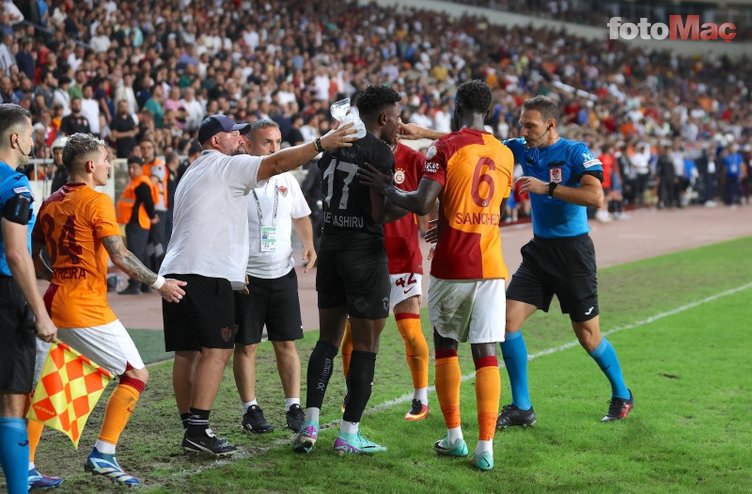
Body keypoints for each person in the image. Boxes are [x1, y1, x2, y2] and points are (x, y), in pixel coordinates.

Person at [401, 94, 633, 427]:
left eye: (530, 126)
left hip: (573, 254)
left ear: (550, 124)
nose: (523, 131)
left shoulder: (574, 152)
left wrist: (547, 188)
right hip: (540, 252)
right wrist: (423, 132)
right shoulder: (522, 148)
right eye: (522, 124)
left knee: (588, 335)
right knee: (506, 324)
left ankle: (622, 393)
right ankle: (522, 407)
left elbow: (596, 197)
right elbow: (471, 140)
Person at [160, 114, 355, 457]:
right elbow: (277, 163)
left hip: (175, 270)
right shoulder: (226, 165)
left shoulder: (193, 169)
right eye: (234, 134)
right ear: (216, 141)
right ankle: (199, 429)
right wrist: (321, 143)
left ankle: (190, 426)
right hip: (207, 271)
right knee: (218, 350)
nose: (240, 138)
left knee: (187, 353)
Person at [360, 80, 513, 471]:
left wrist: (387, 189)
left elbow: (421, 201)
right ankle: (486, 447)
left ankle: (454, 437)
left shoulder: (443, 147)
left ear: (457, 105)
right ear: (489, 112)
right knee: (486, 352)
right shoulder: (504, 152)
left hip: (453, 263)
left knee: (446, 346)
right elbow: (491, 204)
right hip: (491, 265)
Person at [30, 133, 185, 487]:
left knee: (54, 383)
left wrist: (57, 276)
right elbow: (120, 255)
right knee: (136, 374)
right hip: (84, 307)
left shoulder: (50, 201)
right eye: (104, 160)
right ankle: (103, 452)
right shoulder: (96, 201)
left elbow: (35, 254)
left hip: (54, 300)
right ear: (90, 165)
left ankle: (26, 465)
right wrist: (160, 283)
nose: (107, 166)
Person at [292, 85, 402, 456]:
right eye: (396, 117)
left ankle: (309, 425)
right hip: (364, 253)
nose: (399, 123)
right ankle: (348, 434)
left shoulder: (334, 143)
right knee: (367, 346)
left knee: (328, 340)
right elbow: (379, 214)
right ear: (383, 118)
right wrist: (404, 197)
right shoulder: (379, 152)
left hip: (331, 247)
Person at [340, 133, 431, 422]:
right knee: (354, 335)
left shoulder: (413, 159)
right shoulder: (356, 155)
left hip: (403, 257)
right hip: (365, 257)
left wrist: (438, 229)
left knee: (411, 331)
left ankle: (421, 398)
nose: (395, 123)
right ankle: (352, 392)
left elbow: (436, 191)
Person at [232, 120, 315, 435]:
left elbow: (301, 215)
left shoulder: (287, 179)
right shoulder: (238, 180)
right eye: (267, 142)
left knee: (286, 343)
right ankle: (250, 408)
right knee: (247, 345)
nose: (275, 148)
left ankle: (293, 406)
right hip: (247, 276)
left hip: (282, 272)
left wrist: (308, 244)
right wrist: (233, 266)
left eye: (278, 142)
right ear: (248, 144)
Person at [0, 103, 57, 494]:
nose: (34, 141)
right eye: (31, 134)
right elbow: (17, 254)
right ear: (15, 138)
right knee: (11, 402)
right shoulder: (15, 185)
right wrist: (40, 312)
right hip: (6, 297)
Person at [116, 155, 156, 295]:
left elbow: (149, 202)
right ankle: (146, 285)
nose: (131, 170)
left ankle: (134, 285)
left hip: (137, 223)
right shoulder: (136, 182)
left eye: (134, 167)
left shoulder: (141, 183)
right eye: (129, 167)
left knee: (134, 255)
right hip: (137, 223)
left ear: (141, 168)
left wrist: (152, 216)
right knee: (142, 254)